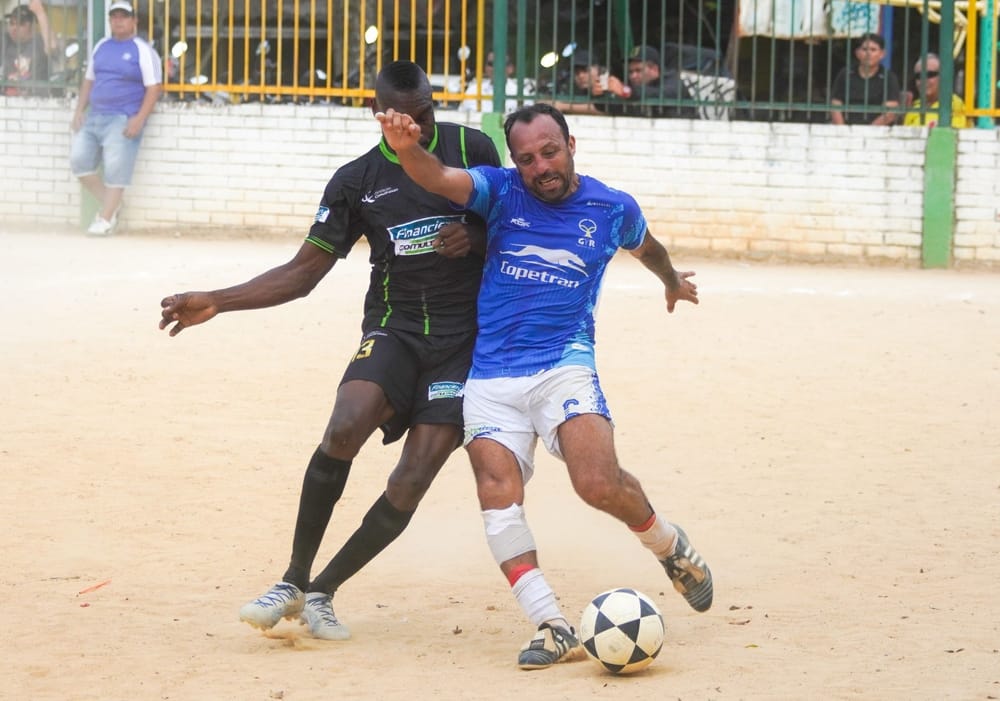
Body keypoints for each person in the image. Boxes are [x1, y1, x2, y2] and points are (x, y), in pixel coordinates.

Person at [159, 60, 501, 641]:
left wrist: (479, 235)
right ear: (379, 115)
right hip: (393, 330)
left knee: (411, 478)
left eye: (426, 113)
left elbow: (518, 223)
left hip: (464, 346)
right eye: (405, 118)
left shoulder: (474, 147)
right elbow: (303, 272)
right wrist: (218, 299)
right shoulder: (356, 180)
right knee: (344, 428)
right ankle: (293, 578)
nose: (419, 127)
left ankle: (324, 590)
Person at [376, 102, 712, 670]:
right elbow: (438, 177)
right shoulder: (501, 191)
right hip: (491, 377)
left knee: (597, 484)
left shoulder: (612, 207)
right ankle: (552, 624)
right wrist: (408, 148)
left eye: (550, 152)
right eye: (527, 158)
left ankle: (669, 546)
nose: (540, 167)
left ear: (571, 144)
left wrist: (672, 279)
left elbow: (647, 246)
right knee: (496, 496)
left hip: (564, 365)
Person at [70, 0, 162, 236]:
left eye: (124, 16)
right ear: (110, 20)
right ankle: (113, 203)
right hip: (95, 115)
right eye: (114, 16)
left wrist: (139, 119)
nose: (118, 20)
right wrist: (79, 109)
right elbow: (89, 80)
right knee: (79, 163)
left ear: (134, 21)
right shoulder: (101, 46)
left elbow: (154, 88)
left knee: (116, 172)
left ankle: (105, 218)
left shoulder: (142, 49)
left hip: (123, 117)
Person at [830, 33, 901, 126]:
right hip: (846, 131)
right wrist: (843, 130)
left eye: (873, 50)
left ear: (882, 54)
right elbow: (835, 105)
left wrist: (867, 132)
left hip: (876, 132)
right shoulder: (846, 74)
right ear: (857, 53)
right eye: (864, 49)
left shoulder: (889, 78)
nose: (868, 53)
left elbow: (890, 112)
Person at [623, 44, 697, 119]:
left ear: (654, 69)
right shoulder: (645, 86)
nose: (633, 76)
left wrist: (628, 91)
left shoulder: (673, 81)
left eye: (638, 70)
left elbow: (663, 93)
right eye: (630, 72)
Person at [552, 49, 629, 116]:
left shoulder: (610, 86)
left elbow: (606, 109)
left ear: (598, 69)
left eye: (585, 70)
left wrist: (564, 106)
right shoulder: (575, 92)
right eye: (576, 72)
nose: (581, 76)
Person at [903, 53, 970, 128]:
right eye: (919, 76)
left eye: (930, 75)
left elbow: (954, 133)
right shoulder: (914, 107)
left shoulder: (954, 104)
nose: (923, 80)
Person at [458, 51, 535, 113]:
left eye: (500, 63)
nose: (495, 68)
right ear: (485, 68)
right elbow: (460, 119)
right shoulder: (472, 91)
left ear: (511, 68)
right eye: (491, 64)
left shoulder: (522, 94)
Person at [1, 2, 50, 96]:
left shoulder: (39, 43)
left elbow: (52, 46)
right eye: (11, 23)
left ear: (32, 25)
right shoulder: (5, 41)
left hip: (35, 102)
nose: (14, 28)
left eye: (20, 24)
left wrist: (40, 13)